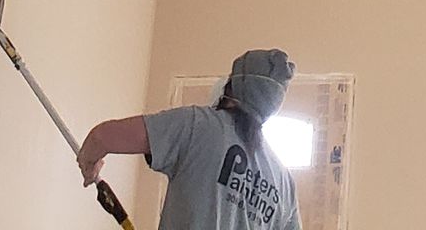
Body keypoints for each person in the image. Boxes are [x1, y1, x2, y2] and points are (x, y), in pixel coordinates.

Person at [77, 48, 302, 230]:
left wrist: (89, 163)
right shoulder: (283, 183)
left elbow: (102, 137)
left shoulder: (198, 126)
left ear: (234, 86)